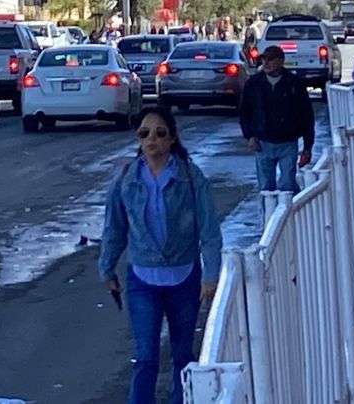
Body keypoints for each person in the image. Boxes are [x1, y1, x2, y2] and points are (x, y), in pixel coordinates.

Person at [99, 106, 224, 404]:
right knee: (145, 357)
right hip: (142, 280)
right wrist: (107, 268)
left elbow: (209, 229)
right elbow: (114, 227)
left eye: (159, 133)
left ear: (172, 138)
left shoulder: (189, 177)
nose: (151, 139)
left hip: (184, 279)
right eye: (144, 133)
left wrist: (210, 275)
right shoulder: (127, 178)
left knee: (182, 356)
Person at [238, 45, 316, 193]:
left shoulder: (294, 83)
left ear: (281, 61)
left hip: (288, 142)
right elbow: (244, 112)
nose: (266, 63)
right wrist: (249, 136)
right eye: (264, 59)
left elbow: (306, 116)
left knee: (287, 186)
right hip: (263, 142)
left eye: (270, 59)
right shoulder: (254, 83)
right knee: (266, 188)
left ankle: (289, 207)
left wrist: (307, 148)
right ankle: (269, 209)